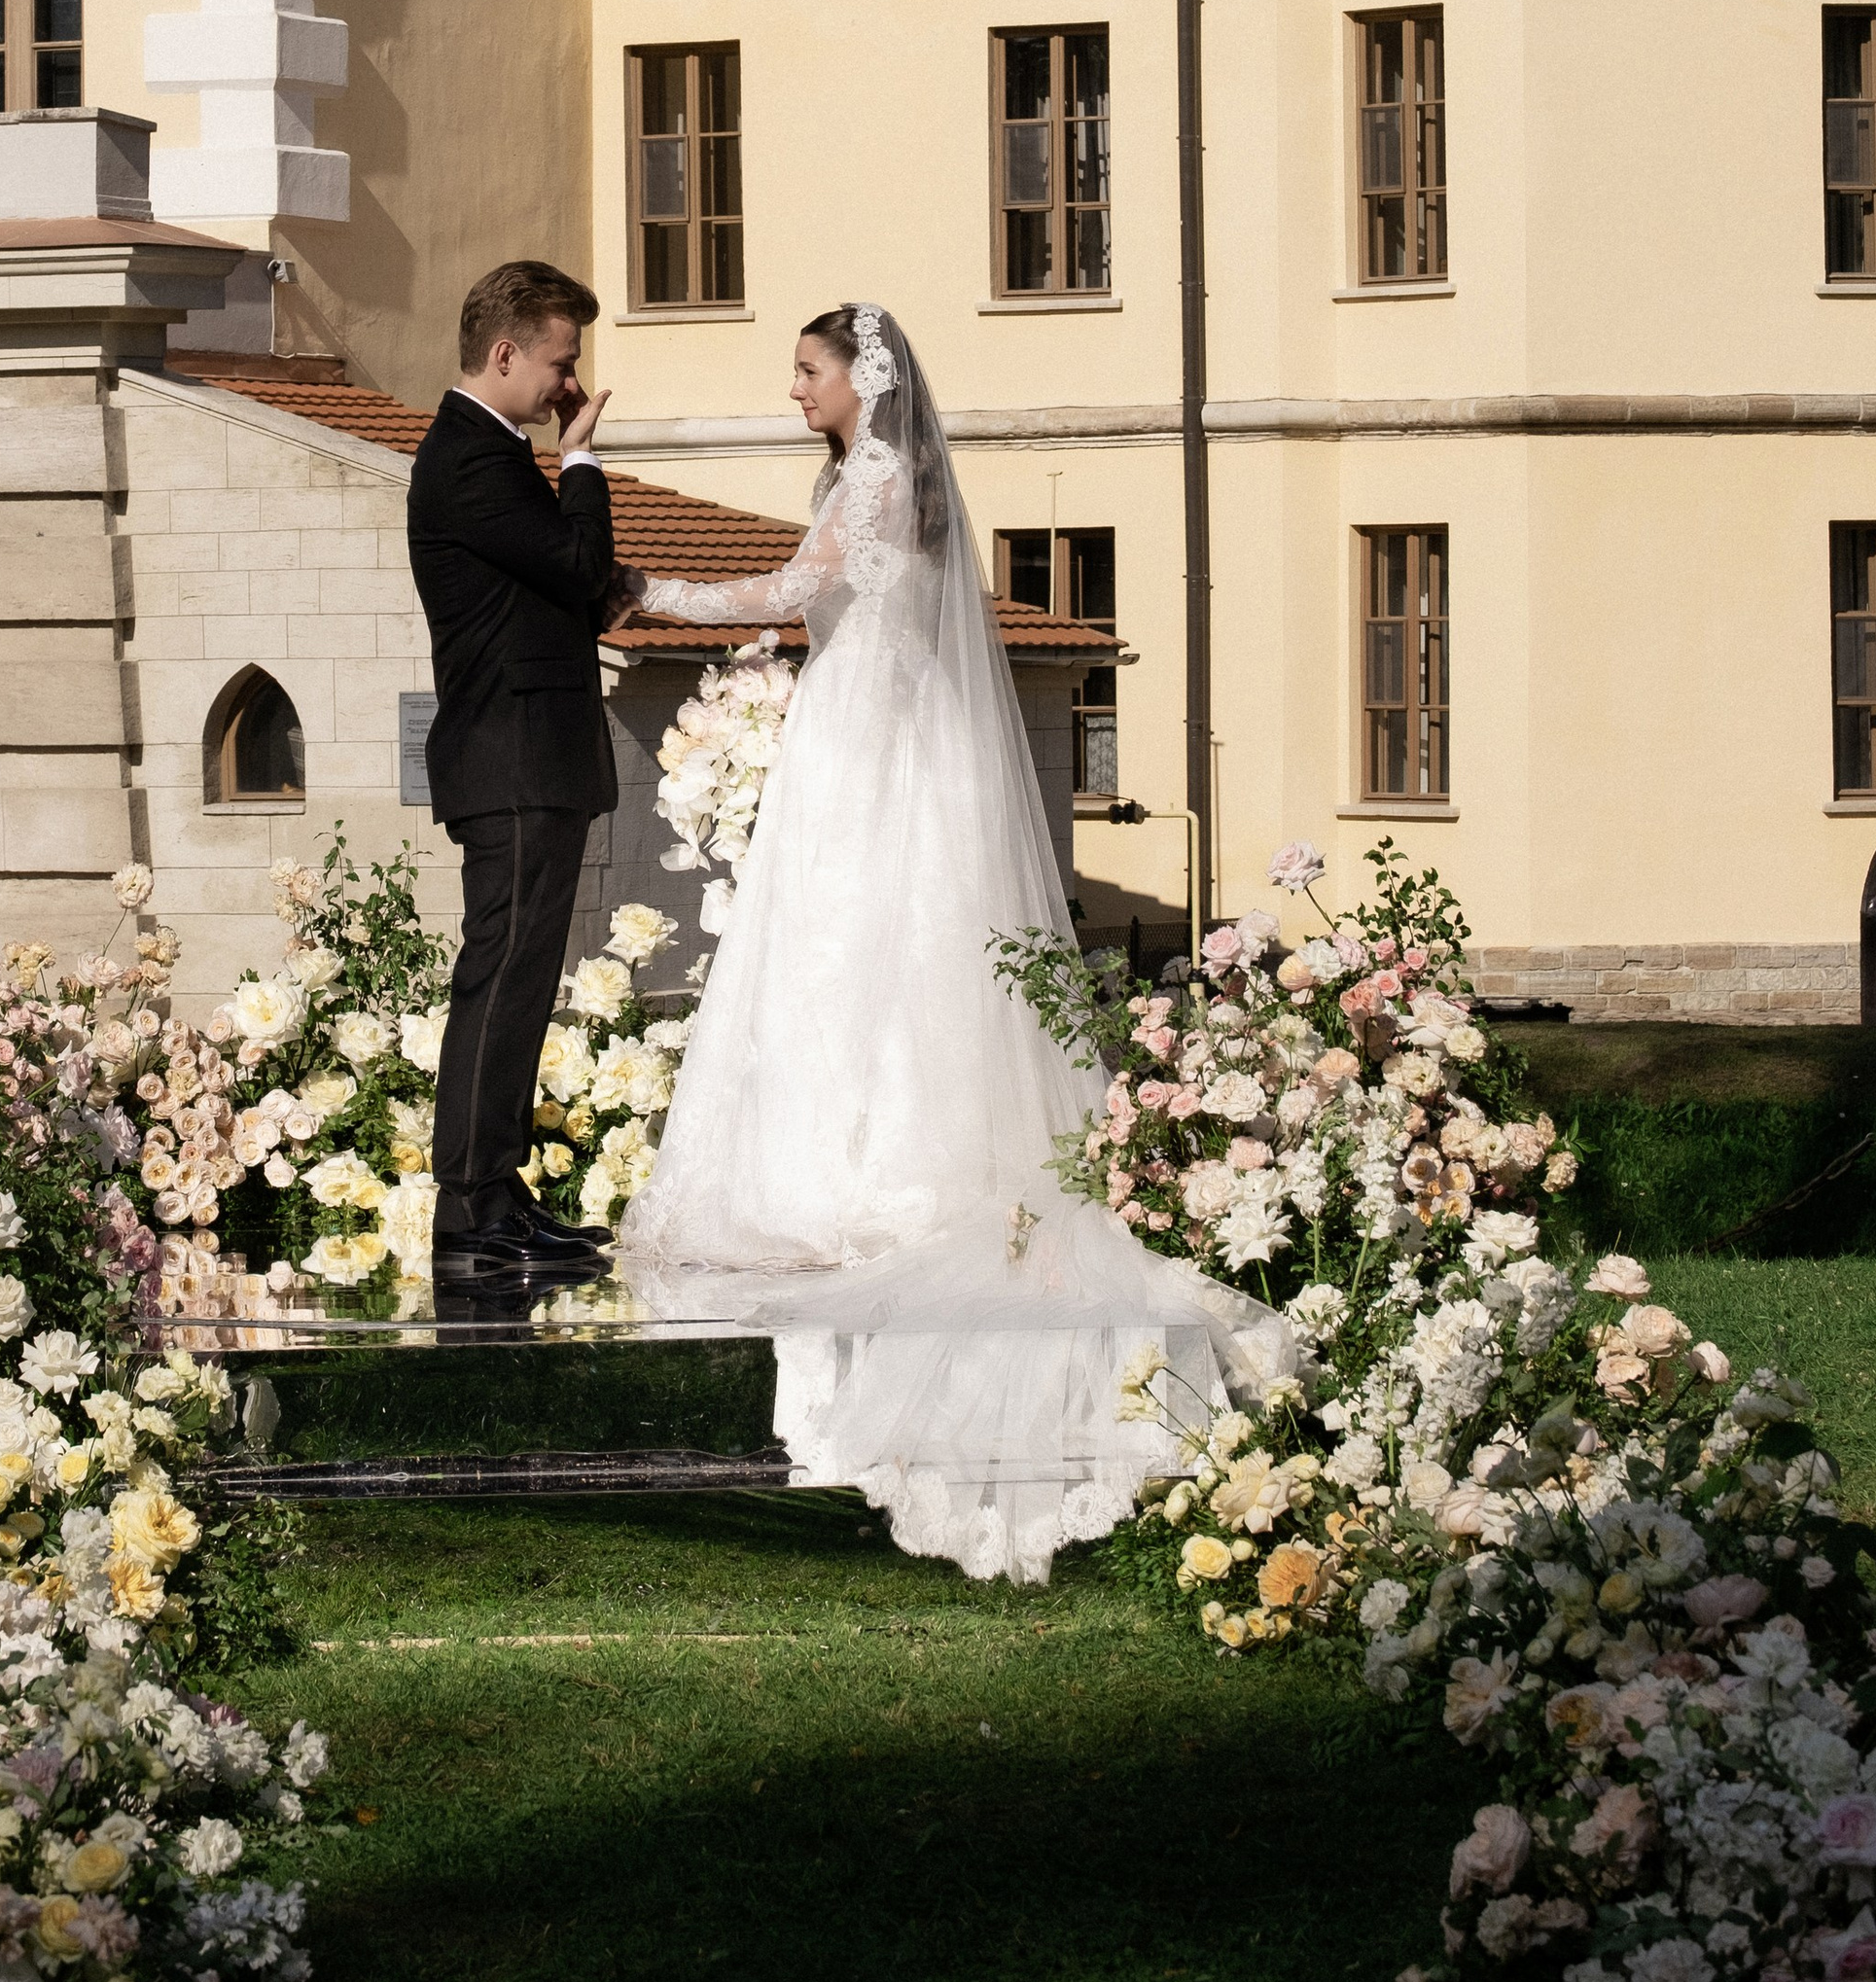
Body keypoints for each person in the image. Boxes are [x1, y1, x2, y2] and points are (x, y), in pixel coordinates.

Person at [615, 301, 1297, 1581]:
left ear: (857, 382)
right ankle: (878, 1159)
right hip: (879, 734)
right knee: (864, 960)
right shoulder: (881, 473)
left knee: (850, 959)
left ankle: (863, 1178)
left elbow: (790, 591)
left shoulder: (875, 478)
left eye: (807, 373)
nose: (794, 392)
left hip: (863, 745)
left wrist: (646, 589)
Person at [406, 259, 629, 1283]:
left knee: (519, 981)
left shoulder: (492, 460)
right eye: (559, 362)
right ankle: (470, 1206)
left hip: (528, 757)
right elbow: (584, 571)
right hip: (512, 757)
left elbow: (573, 596)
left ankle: (494, 1192)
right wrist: (580, 460)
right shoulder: (471, 460)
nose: (566, 387)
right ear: (505, 352)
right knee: (500, 980)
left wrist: (564, 471)